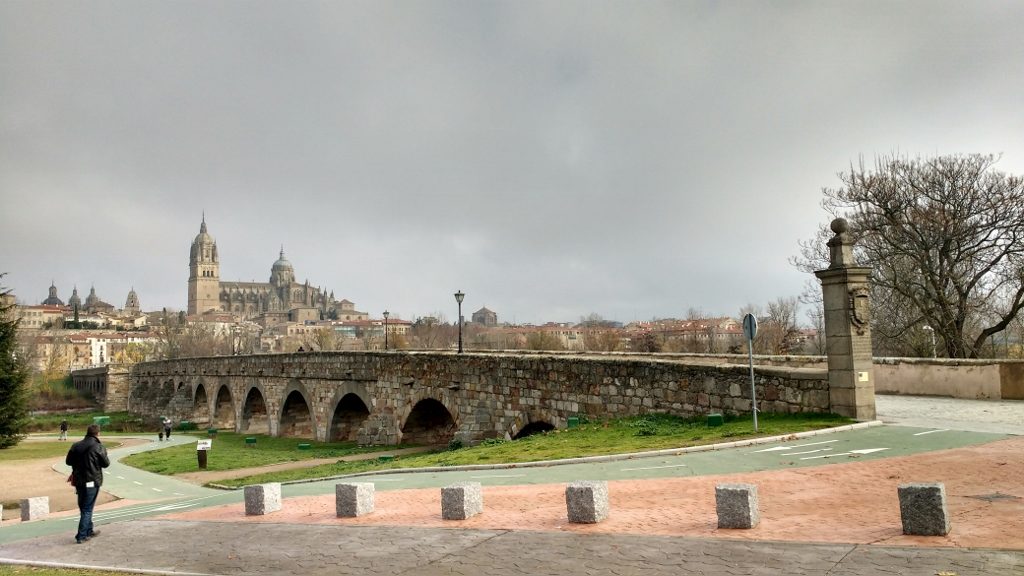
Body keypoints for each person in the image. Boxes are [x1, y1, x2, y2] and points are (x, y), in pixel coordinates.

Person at [65, 424, 110, 544]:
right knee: (87, 508)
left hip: (79, 480)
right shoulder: (99, 447)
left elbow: (68, 462)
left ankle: (89, 530)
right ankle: (81, 535)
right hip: (92, 480)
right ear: (98, 433)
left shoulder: (76, 445)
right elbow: (106, 464)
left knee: (84, 507)